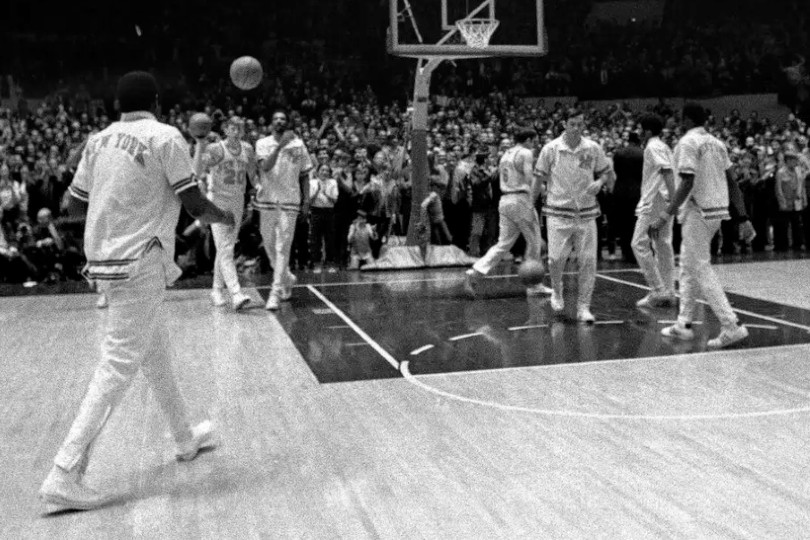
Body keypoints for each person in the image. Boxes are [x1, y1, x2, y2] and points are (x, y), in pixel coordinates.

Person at [39, 71, 235, 513]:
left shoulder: (98, 140)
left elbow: (74, 203)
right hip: (140, 259)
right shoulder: (166, 137)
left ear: (118, 103)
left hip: (105, 257)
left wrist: (116, 203)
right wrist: (225, 216)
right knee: (117, 365)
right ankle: (65, 471)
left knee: (155, 353)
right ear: (158, 101)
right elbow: (194, 204)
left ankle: (184, 439)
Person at [649, 103, 750, 349]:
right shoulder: (717, 143)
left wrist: (665, 215)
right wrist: (744, 216)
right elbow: (733, 183)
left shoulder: (687, 143)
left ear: (686, 120)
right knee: (687, 265)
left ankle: (731, 325)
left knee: (701, 268)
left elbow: (686, 182)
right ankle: (683, 323)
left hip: (698, 211)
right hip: (717, 212)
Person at [534, 109, 615, 322]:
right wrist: (530, 204)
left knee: (588, 261)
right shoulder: (550, 149)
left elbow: (606, 172)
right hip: (557, 212)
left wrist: (599, 182)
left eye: (580, 124)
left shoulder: (593, 147)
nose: (577, 128)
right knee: (555, 259)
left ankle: (583, 307)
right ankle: (557, 290)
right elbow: (539, 178)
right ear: (564, 124)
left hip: (586, 212)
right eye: (573, 124)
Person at [465, 127, 550, 297]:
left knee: (503, 244)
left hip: (505, 200)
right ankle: (534, 285)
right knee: (534, 242)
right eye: (533, 141)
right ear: (527, 140)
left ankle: (474, 273)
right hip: (520, 199)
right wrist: (541, 188)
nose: (534, 145)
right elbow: (528, 177)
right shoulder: (525, 153)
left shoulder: (506, 154)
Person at [254, 110, 313, 311]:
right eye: (276, 119)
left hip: (290, 201)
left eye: (283, 119)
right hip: (267, 200)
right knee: (269, 245)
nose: (279, 121)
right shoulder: (262, 143)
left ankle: (275, 292)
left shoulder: (299, 145)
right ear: (271, 124)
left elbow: (305, 175)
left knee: (283, 247)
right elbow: (266, 167)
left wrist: (306, 201)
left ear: (287, 123)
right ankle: (286, 277)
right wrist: (280, 146)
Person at [199, 117, 256, 310]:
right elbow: (199, 169)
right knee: (225, 248)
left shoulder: (247, 148)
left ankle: (216, 289)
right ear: (226, 129)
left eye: (240, 127)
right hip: (218, 201)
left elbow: (252, 173)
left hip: (238, 200)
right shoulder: (216, 149)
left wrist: (257, 186)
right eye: (233, 127)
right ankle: (236, 292)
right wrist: (201, 147)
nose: (236, 130)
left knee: (226, 247)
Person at [631, 114, 677, 308]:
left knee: (639, 243)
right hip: (664, 199)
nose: (638, 132)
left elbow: (666, 171)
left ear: (648, 131)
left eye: (640, 128)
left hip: (655, 200)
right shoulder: (663, 145)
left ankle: (658, 290)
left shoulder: (652, 146)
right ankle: (668, 291)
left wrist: (675, 199)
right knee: (663, 245)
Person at [610, 132, 644, 263]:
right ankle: (636, 253)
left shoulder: (619, 153)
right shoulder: (642, 153)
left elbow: (616, 170)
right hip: (637, 191)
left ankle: (625, 252)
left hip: (620, 190)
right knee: (636, 223)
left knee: (623, 223)